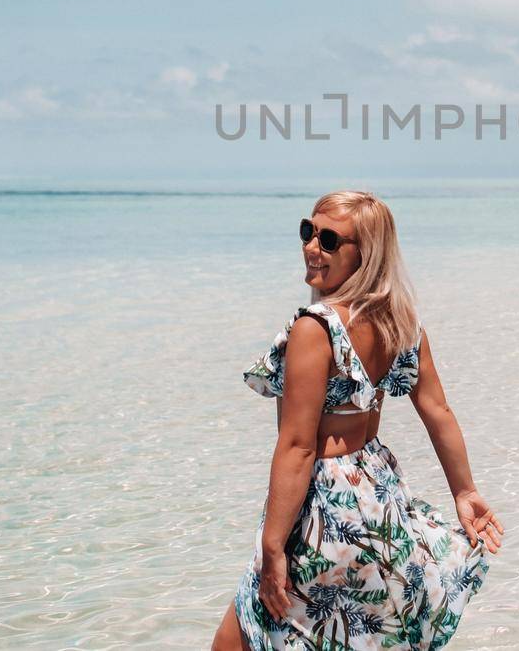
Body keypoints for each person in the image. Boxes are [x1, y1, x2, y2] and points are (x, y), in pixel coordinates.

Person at [212, 189, 503, 650]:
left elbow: (298, 447)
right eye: (309, 231)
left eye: (330, 241)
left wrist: (272, 548)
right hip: (377, 503)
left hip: (320, 510)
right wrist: (464, 491)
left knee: (236, 642)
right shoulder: (400, 323)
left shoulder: (316, 328)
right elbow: (437, 411)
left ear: (364, 255)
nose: (312, 247)